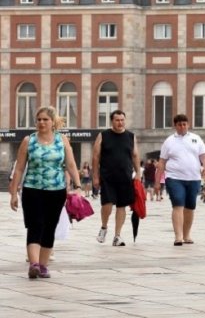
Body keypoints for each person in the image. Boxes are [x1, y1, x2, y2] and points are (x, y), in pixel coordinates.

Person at [9, 106, 82, 279]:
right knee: (34, 225)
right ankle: (33, 264)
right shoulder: (29, 141)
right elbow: (19, 168)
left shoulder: (62, 140)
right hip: (32, 189)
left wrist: (78, 186)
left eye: (45, 119)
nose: (41, 122)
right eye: (39, 119)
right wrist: (13, 193)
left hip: (56, 191)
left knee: (50, 227)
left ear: (52, 122)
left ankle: (42, 265)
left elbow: (71, 165)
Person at [154, 114, 205, 246]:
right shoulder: (169, 141)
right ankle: (178, 236)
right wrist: (157, 182)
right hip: (174, 178)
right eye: (179, 124)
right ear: (175, 126)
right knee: (178, 204)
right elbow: (162, 162)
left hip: (193, 178)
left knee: (190, 207)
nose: (182, 126)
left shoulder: (196, 139)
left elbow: (204, 157)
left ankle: (186, 235)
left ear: (188, 125)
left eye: (185, 124)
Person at [93, 109, 141, 246]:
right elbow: (96, 156)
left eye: (122, 120)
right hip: (107, 177)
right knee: (107, 204)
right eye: (117, 120)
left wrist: (138, 173)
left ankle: (117, 235)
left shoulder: (131, 136)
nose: (120, 123)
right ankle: (104, 227)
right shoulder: (103, 135)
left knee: (122, 206)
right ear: (112, 121)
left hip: (125, 177)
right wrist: (95, 176)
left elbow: (135, 155)